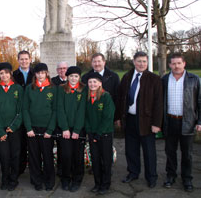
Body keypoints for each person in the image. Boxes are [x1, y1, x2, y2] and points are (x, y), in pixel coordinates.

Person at [116, 51, 163, 188]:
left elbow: (159, 103)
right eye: (139, 61)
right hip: (130, 119)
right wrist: (119, 117)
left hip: (147, 122)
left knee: (149, 151)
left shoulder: (154, 79)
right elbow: (121, 99)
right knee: (131, 149)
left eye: (144, 61)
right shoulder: (127, 77)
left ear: (147, 63)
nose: (141, 64)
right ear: (134, 62)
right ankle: (133, 173)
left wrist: (156, 123)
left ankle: (151, 177)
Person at [162, 53, 201, 192]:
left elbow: (199, 101)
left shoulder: (194, 79)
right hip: (170, 120)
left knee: (187, 153)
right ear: (169, 65)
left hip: (188, 122)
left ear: (184, 63)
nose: (176, 66)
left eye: (179, 63)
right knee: (170, 151)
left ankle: (187, 179)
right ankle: (170, 176)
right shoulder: (165, 79)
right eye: (173, 63)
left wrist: (199, 121)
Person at [0, 62, 23, 191]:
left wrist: (13, 126)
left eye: (6, 73)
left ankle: (13, 179)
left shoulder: (18, 89)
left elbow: (21, 110)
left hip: (14, 129)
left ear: (10, 74)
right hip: (0, 130)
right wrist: (0, 130)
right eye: (1, 73)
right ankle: (5, 179)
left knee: (15, 155)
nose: (4, 76)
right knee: (4, 156)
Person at [23, 63, 57, 191]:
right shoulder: (29, 88)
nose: (40, 75)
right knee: (34, 156)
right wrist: (28, 128)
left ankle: (49, 180)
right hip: (32, 128)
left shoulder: (53, 88)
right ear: (35, 74)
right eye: (38, 73)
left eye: (43, 72)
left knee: (47, 156)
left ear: (47, 73)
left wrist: (50, 129)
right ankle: (36, 180)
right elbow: (25, 109)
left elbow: (55, 110)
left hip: (47, 129)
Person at [85, 72, 115, 195]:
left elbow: (108, 117)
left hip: (104, 134)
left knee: (106, 160)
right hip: (92, 134)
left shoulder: (105, 96)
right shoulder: (87, 97)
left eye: (95, 82)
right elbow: (86, 116)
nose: (92, 84)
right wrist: (89, 131)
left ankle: (105, 184)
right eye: (90, 82)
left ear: (100, 83)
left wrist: (99, 132)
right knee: (95, 160)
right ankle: (97, 183)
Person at [57, 66, 86, 192]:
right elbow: (60, 109)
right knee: (66, 154)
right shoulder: (61, 89)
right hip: (65, 129)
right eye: (71, 76)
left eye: (76, 76)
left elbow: (82, 111)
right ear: (67, 77)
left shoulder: (84, 90)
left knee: (78, 155)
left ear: (79, 77)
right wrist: (64, 128)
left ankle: (77, 179)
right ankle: (65, 178)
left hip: (78, 129)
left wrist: (77, 130)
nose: (73, 78)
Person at [13, 50, 34, 175]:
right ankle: (19, 169)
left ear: (30, 59)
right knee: (19, 145)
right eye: (21, 59)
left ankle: (33, 168)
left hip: (32, 113)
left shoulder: (35, 74)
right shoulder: (14, 75)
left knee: (32, 145)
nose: (24, 61)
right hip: (18, 112)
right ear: (18, 60)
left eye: (26, 59)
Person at [51, 61, 69, 177]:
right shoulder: (53, 82)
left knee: (65, 148)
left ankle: (65, 168)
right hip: (54, 120)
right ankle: (58, 168)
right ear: (57, 70)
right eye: (60, 68)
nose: (62, 70)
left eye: (64, 68)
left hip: (67, 120)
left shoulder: (72, 80)